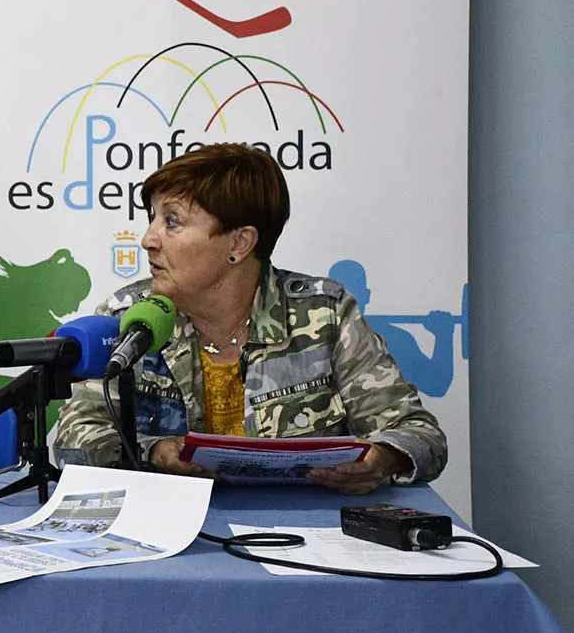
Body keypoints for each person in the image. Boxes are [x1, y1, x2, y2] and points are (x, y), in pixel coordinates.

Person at [51, 144, 446, 495]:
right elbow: (72, 439)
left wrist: (384, 458)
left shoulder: (324, 314)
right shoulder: (128, 317)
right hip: (168, 539)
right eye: (153, 218)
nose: (148, 238)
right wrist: (153, 452)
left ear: (239, 243)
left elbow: (420, 434)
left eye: (171, 221)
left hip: (302, 540)